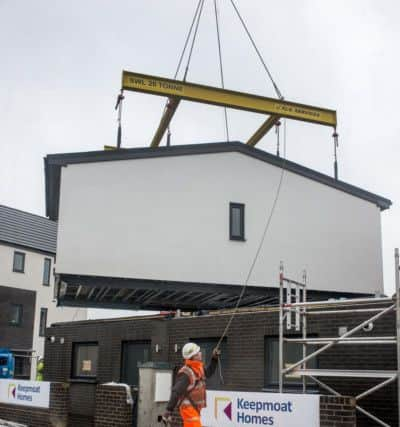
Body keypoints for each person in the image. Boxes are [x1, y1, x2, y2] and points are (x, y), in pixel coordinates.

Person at [163, 342, 221, 427]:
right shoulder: (186, 373)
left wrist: (214, 359)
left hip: (194, 408)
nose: (200, 353)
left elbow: (209, 372)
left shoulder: (198, 368)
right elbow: (176, 392)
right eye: (198, 352)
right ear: (193, 356)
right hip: (188, 409)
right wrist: (168, 410)